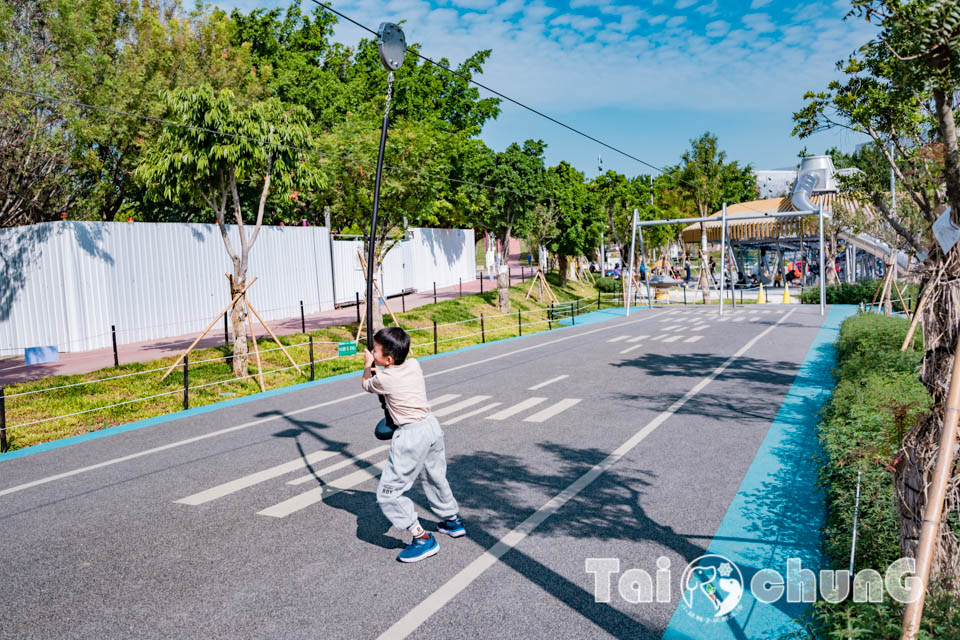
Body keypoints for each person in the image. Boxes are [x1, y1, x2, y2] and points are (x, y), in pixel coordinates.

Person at [362, 327, 465, 563]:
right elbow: (391, 369)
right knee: (434, 476)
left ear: (388, 359)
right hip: (431, 427)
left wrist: (369, 365)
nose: (372, 352)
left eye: (375, 350)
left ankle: (422, 537)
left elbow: (367, 384)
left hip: (411, 435)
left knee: (388, 494)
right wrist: (378, 360)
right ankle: (451, 519)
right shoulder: (414, 365)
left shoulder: (385, 378)